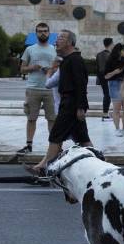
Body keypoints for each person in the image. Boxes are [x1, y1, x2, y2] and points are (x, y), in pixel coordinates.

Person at [29, 30, 94, 175]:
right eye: (57, 38)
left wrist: (81, 107)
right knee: (83, 138)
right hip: (68, 102)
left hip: (71, 104)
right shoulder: (66, 61)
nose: (57, 41)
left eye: (61, 38)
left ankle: (43, 168)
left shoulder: (75, 60)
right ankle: (103, 165)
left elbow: (81, 85)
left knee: (56, 136)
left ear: (70, 42)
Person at [18, 23, 57, 154]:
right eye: (40, 31)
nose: (43, 33)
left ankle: (54, 145)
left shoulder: (54, 49)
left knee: (52, 118)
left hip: (50, 89)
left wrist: (50, 69)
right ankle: (29, 145)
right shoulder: (30, 49)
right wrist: (32, 67)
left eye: (45, 31)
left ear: (49, 33)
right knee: (31, 118)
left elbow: (59, 68)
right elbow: (22, 69)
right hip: (33, 88)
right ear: (36, 33)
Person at [103, 42, 124, 136]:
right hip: (114, 84)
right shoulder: (110, 61)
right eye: (123, 49)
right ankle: (117, 129)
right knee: (117, 108)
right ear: (118, 51)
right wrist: (114, 72)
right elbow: (106, 76)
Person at [94, 37, 113, 121]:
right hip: (107, 77)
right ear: (111, 44)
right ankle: (105, 114)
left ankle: (105, 113)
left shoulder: (99, 54)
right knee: (107, 95)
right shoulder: (110, 55)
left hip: (101, 77)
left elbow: (97, 68)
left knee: (106, 95)